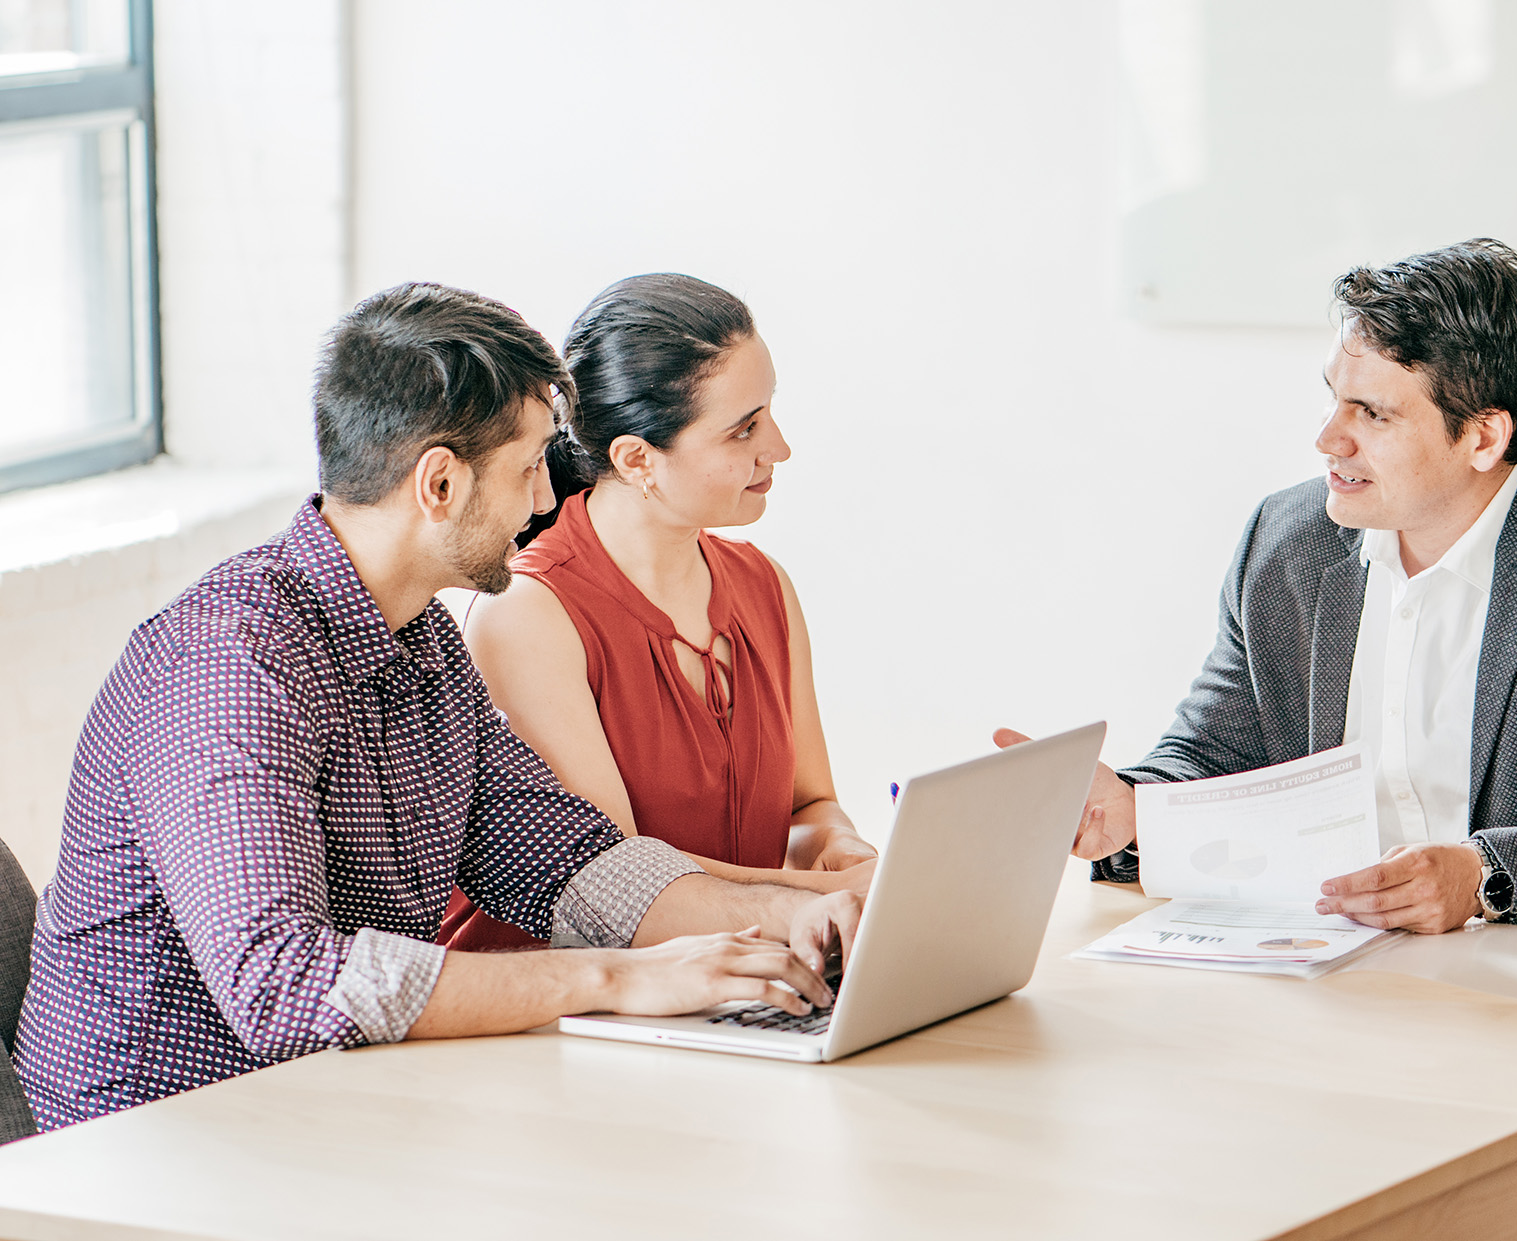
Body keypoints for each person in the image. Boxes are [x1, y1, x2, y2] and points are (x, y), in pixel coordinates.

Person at [1001, 240, 1517, 1240]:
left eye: (1372, 412)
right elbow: (1210, 751)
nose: (1329, 437)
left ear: (1484, 434)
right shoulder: (1287, 542)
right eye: (1333, 397)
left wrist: (1485, 870)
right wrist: (1131, 805)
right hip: (1329, 1031)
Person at [14, 283, 859, 1130]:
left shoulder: (424, 644)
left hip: (326, 1112)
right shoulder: (232, 659)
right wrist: (621, 976)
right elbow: (283, 983)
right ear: (441, 483)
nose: (543, 502)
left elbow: (572, 863)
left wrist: (803, 912)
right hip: (151, 1146)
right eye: (530, 469)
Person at [439, 274, 876, 953]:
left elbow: (807, 806)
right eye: (744, 429)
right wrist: (832, 898)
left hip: (729, 977)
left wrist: (837, 845)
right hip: (552, 1012)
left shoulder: (765, 586)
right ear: (637, 460)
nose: (780, 447)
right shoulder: (528, 615)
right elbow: (617, 888)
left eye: (770, 412)